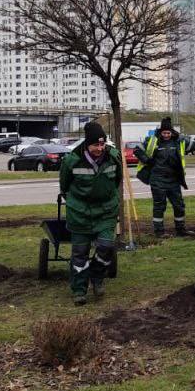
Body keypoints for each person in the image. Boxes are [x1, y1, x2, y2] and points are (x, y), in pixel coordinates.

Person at [58, 120, 122, 306]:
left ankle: (97, 277)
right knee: (80, 253)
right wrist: (74, 202)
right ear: (87, 143)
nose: (99, 148)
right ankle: (79, 290)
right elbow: (65, 185)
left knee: (106, 247)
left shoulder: (113, 157)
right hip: (80, 213)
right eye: (96, 144)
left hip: (105, 211)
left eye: (102, 144)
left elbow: (117, 179)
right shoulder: (72, 160)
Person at [135, 115, 188, 236]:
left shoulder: (178, 141)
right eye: (164, 132)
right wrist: (147, 160)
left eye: (168, 133)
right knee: (159, 206)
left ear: (171, 132)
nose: (166, 135)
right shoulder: (152, 140)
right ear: (161, 132)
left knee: (179, 205)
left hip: (174, 180)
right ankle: (159, 232)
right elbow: (137, 150)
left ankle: (181, 230)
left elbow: (194, 145)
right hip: (157, 179)